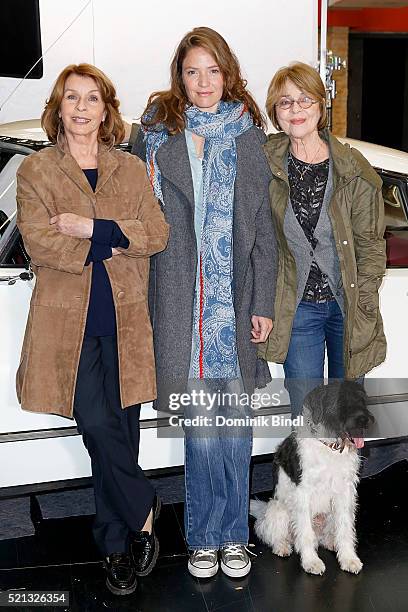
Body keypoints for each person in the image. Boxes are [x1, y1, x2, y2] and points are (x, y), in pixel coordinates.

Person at [16, 63, 169, 596]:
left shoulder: (129, 169)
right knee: (100, 428)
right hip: (68, 326)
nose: (82, 108)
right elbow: (42, 245)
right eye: (72, 98)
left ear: (106, 109)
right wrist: (117, 242)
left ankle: (115, 547)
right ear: (58, 107)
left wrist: (92, 228)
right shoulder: (36, 171)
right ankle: (145, 509)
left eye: (92, 99)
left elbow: (157, 233)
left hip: (126, 321)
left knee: (120, 438)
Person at [133, 26, 277, 579]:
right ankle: (202, 538)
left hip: (235, 305)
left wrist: (262, 301)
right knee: (201, 428)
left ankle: (233, 536)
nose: (203, 82)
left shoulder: (248, 138)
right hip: (179, 302)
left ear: (229, 74)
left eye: (213, 70)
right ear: (180, 76)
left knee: (234, 427)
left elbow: (263, 230)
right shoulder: (156, 137)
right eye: (193, 71)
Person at [258, 62, 386, 416]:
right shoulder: (264, 162)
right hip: (297, 310)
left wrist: (364, 301)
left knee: (348, 416)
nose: (296, 110)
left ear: (321, 106)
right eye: (285, 103)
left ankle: (345, 473)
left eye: (305, 100)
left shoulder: (351, 166)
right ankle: (308, 473)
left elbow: (372, 245)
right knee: (309, 417)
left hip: (348, 306)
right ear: (275, 112)